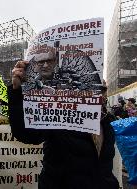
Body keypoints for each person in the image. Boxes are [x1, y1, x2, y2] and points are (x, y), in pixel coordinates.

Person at [8, 60, 119, 189]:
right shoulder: (60, 116)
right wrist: (17, 93)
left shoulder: (107, 121)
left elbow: (104, 166)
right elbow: (26, 134)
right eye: (92, 87)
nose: (98, 93)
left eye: (102, 89)